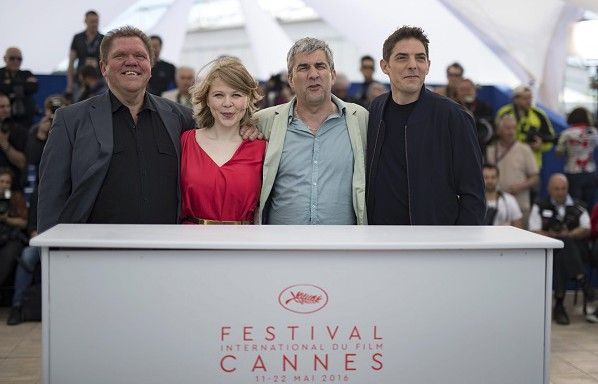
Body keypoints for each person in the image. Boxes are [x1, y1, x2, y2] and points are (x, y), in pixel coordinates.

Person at [37, 26, 196, 233]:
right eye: (120, 55)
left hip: (166, 251)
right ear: (104, 67)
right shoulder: (70, 120)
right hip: (95, 253)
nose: (131, 61)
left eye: (140, 56)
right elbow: (52, 195)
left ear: (150, 66)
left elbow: (222, 135)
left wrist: (249, 127)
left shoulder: (182, 117)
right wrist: (52, 253)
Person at [366, 26, 485, 225]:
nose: (413, 65)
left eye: (420, 58)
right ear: (385, 66)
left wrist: (461, 249)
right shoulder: (376, 109)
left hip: (434, 244)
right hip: (380, 242)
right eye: (402, 57)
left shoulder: (454, 117)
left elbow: (473, 196)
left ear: (428, 65)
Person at [256, 37, 368, 225]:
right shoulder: (264, 121)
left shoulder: (360, 119)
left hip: (343, 248)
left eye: (320, 66)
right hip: (282, 248)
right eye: (303, 68)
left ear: (332, 74)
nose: (313, 74)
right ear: (290, 79)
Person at [180, 57, 264, 224]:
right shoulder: (185, 142)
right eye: (218, 95)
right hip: (190, 243)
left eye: (236, 95)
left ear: (248, 100)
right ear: (207, 99)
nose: (227, 103)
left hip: (243, 244)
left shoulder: (262, 149)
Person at [529, 173, 590, 325]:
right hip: (549, 250)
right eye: (556, 189)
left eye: (563, 188)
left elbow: (586, 228)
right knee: (558, 251)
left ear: (568, 188)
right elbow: (533, 229)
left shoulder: (578, 206)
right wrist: (550, 235)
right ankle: (582, 280)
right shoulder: (540, 205)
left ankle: (559, 305)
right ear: (549, 189)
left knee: (562, 246)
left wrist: (568, 234)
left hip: (577, 250)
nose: (560, 192)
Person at [486, 114, 539, 224]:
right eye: (507, 128)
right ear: (499, 130)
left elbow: (535, 178)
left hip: (521, 204)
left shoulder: (525, 149)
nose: (511, 132)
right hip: (497, 205)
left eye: (514, 128)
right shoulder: (491, 150)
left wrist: (520, 186)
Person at [496, 85, 555, 169]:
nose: (529, 101)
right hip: (507, 160)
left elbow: (550, 139)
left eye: (530, 98)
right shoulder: (504, 113)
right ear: (515, 99)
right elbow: (496, 136)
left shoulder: (539, 114)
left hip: (531, 163)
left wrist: (539, 146)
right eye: (525, 98)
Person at [555, 107, 598, 210]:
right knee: (590, 204)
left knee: (575, 204)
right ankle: (589, 224)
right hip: (590, 171)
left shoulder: (566, 133)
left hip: (573, 172)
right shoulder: (594, 132)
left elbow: (559, 153)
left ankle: (577, 225)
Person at [0, 167, 27, 304]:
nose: (4, 185)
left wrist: (6, 219)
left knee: (8, 255)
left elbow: (24, 223)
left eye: (7, 182)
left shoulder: (16, 197)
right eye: (2, 181)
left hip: (13, 237)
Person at [66, 10, 104, 99]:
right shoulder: (77, 38)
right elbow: (71, 63)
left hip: (98, 82)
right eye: (92, 22)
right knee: (78, 108)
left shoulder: (103, 39)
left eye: (96, 21)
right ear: (85, 21)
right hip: (80, 81)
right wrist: (69, 85)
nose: (94, 24)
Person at [0, 47, 38, 126]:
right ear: (5, 58)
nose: (15, 61)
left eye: (19, 59)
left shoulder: (27, 73)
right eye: (12, 58)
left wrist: (10, 83)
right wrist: (23, 84)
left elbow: (33, 87)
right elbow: (3, 88)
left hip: (25, 119)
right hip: (3, 120)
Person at [456, 78, 494, 156]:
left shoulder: (485, 108)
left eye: (468, 89)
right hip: (457, 151)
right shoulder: (451, 108)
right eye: (462, 90)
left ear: (475, 91)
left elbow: (489, 133)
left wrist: (474, 120)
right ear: (457, 92)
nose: (466, 93)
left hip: (479, 151)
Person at [0, 92, 28, 191]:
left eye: (8, 106)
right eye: (2, 107)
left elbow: (22, 163)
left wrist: (4, 144)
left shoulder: (19, 131)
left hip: (13, 189)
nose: (6, 110)